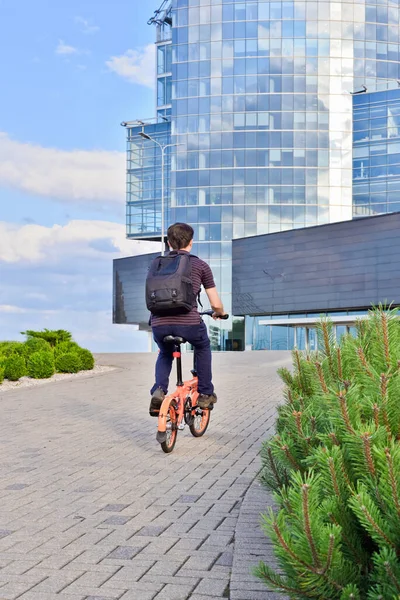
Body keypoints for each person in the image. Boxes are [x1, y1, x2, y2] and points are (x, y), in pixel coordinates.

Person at [149, 222, 226, 415]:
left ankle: (159, 390)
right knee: (202, 346)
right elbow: (215, 303)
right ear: (191, 243)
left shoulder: (156, 264)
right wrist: (219, 313)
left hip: (159, 324)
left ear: (169, 243)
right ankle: (206, 394)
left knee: (165, 352)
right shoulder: (200, 265)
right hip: (189, 323)